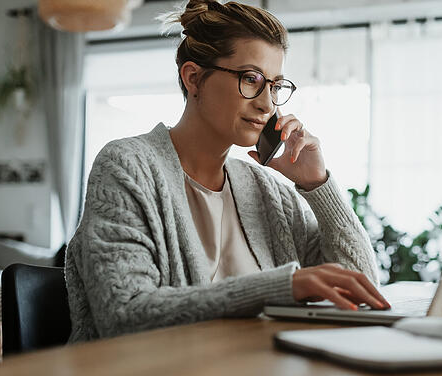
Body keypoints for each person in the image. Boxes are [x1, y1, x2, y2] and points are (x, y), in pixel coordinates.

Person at [65, 0, 390, 341]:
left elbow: (361, 289)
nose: (267, 104)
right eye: (251, 79)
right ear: (193, 78)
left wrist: (317, 185)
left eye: (275, 85)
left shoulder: (269, 192)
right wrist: (277, 287)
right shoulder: (126, 167)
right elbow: (124, 314)